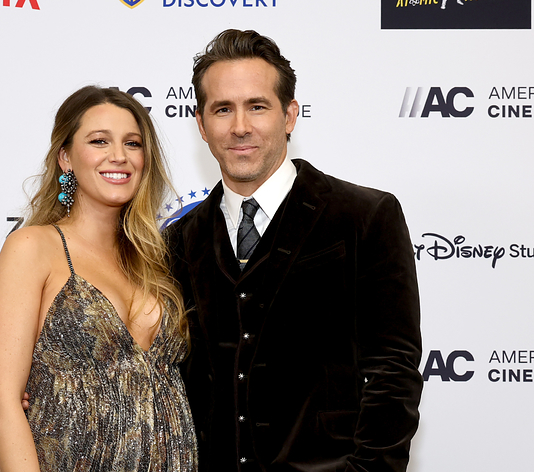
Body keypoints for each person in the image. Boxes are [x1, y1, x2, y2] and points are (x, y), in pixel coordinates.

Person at [164, 29, 423, 471]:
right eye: (223, 109)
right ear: (201, 124)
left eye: (257, 106)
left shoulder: (364, 216)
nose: (240, 126)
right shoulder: (179, 239)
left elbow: (392, 370)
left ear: (289, 116)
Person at [0, 86, 197, 472]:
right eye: (99, 141)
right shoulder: (34, 247)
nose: (119, 156)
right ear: (66, 158)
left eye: (133, 143)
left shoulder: (156, 258)